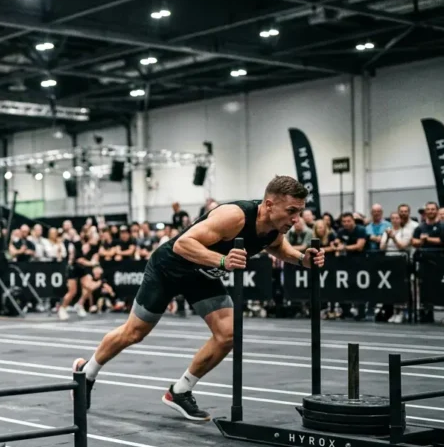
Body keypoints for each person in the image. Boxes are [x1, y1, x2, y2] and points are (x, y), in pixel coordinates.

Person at [74, 176, 325, 420]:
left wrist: (302, 260)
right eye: (292, 211)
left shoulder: (273, 227)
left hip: (200, 274)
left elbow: (277, 246)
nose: (296, 219)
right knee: (134, 333)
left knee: (228, 333)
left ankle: (180, 391)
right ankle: (88, 371)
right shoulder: (234, 216)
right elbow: (182, 244)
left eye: (299, 212)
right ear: (269, 204)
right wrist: (223, 261)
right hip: (168, 269)